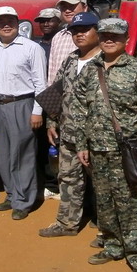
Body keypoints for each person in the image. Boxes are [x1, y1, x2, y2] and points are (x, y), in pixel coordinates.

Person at [74, 18, 137, 272]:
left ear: (126, 39)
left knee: (134, 205)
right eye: (104, 35)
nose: (109, 39)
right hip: (97, 149)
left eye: (115, 35)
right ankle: (113, 245)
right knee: (105, 202)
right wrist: (81, 143)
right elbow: (80, 109)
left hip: (127, 151)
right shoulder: (90, 70)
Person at [39, 12, 101, 238]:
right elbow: (57, 91)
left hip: (97, 136)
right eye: (75, 31)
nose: (79, 35)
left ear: (97, 32)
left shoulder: (106, 61)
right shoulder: (71, 60)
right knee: (68, 178)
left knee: (101, 181)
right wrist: (51, 121)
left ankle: (104, 223)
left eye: (85, 30)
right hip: (68, 134)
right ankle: (67, 223)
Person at [0, 6, 47, 220]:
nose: (6, 25)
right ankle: (11, 194)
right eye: (1, 22)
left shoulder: (31, 48)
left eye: (10, 21)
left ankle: (24, 200)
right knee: (3, 154)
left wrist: (37, 111)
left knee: (23, 154)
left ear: (18, 24)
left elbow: (41, 83)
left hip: (22, 104)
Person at [35, 7, 62, 200]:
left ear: (59, 22)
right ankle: (48, 183)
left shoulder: (64, 44)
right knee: (43, 144)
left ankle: (59, 183)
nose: (45, 24)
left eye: (50, 20)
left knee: (59, 143)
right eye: (42, 21)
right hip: (40, 101)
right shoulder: (35, 46)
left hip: (58, 100)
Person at [48, 0, 88, 85]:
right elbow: (52, 70)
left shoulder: (94, 36)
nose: (67, 10)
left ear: (85, 8)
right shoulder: (58, 37)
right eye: (64, 7)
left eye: (72, 6)